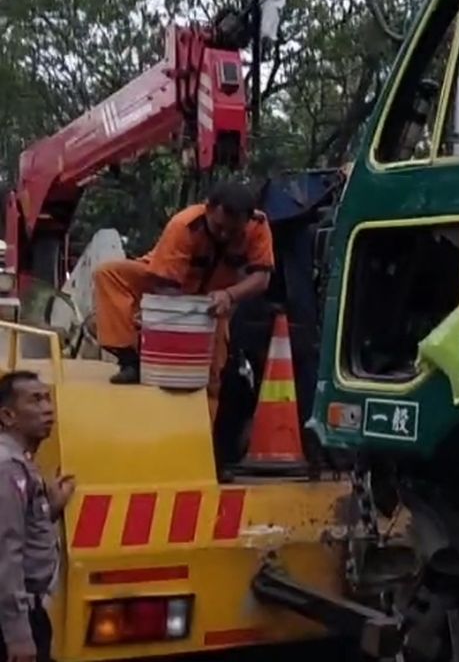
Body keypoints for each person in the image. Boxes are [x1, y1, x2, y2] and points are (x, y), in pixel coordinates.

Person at [93, 182, 274, 419]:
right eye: (219, 227)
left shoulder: (258, 226)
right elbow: (164, 285)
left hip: (214, 304)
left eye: (233, 231)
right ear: (208, 209)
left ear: (247, 221)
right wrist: (156, 318)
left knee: (210, 379)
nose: (224, 235)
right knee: (109, 275)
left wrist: (229, 295)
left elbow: (261, 278)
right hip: (166, 283)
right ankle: (130, 359)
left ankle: (201, 440)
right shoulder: (184, 225)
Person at [0, 370, 75, 662]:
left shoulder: (22, 462)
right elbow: (6, 555)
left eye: (47, 398)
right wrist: (18, 634)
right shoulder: (8, 469)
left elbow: (19, 527)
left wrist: (50, 508)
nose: (48, 408)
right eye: (35, 400)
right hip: (14, 621)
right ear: (8, 416)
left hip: (30, 613)